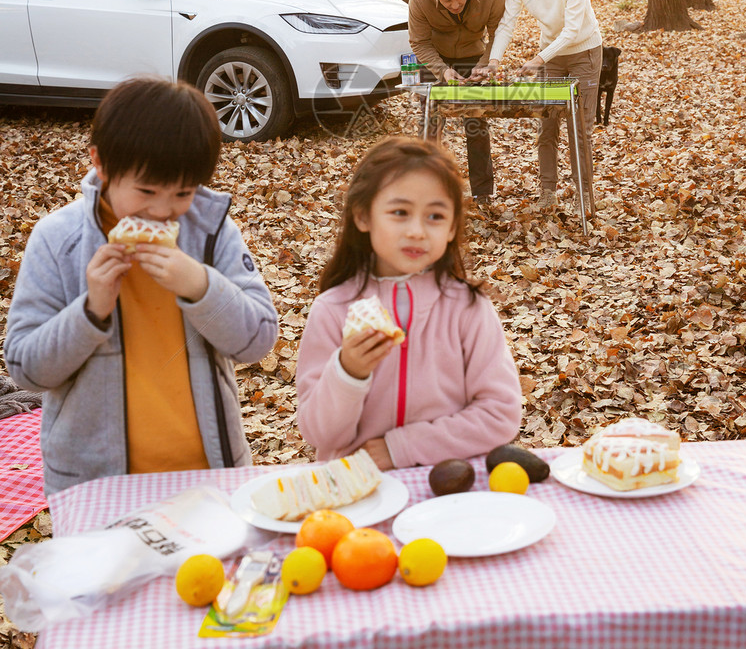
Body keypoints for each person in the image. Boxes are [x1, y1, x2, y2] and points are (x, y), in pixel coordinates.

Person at [5, 77, 279, 495]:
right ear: (101, 163)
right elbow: (26, 369)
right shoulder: (59, 241)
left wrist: (201, 285)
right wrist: (90, 310)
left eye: (183, 192)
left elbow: (258, 340)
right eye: (146, 190)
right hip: (95, 485)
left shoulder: (210, 233)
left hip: (208, 472)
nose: (162, 210)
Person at [295, 136, 522, 470]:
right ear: (363, 216)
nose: (417, 231)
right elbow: (318, 434)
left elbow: (501, 413)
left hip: (447, 488)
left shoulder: (467, 308)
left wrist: (402, 448)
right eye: (400, 212)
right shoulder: (333, 310)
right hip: (357, 492)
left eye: (435, 216)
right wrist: (348, 372)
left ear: (451, 227)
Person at [485, 0, 602, 210]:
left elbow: (573, 30)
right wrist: (494, 60)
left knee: (579, 128)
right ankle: (547, 192)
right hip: (551, 55)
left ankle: (584, 195)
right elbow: (506, 23)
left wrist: (538, 59)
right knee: (547, 126)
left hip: (584, 52)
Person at [408, 0, 506, 202]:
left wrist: (484, 66)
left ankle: (482, 192)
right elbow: (419, 42)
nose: (455, 5)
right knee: (430, 122)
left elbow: (498, 35)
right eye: (446, 0)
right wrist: (442, 71)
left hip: (474, 56)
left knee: (476, 123)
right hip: (433, 57)